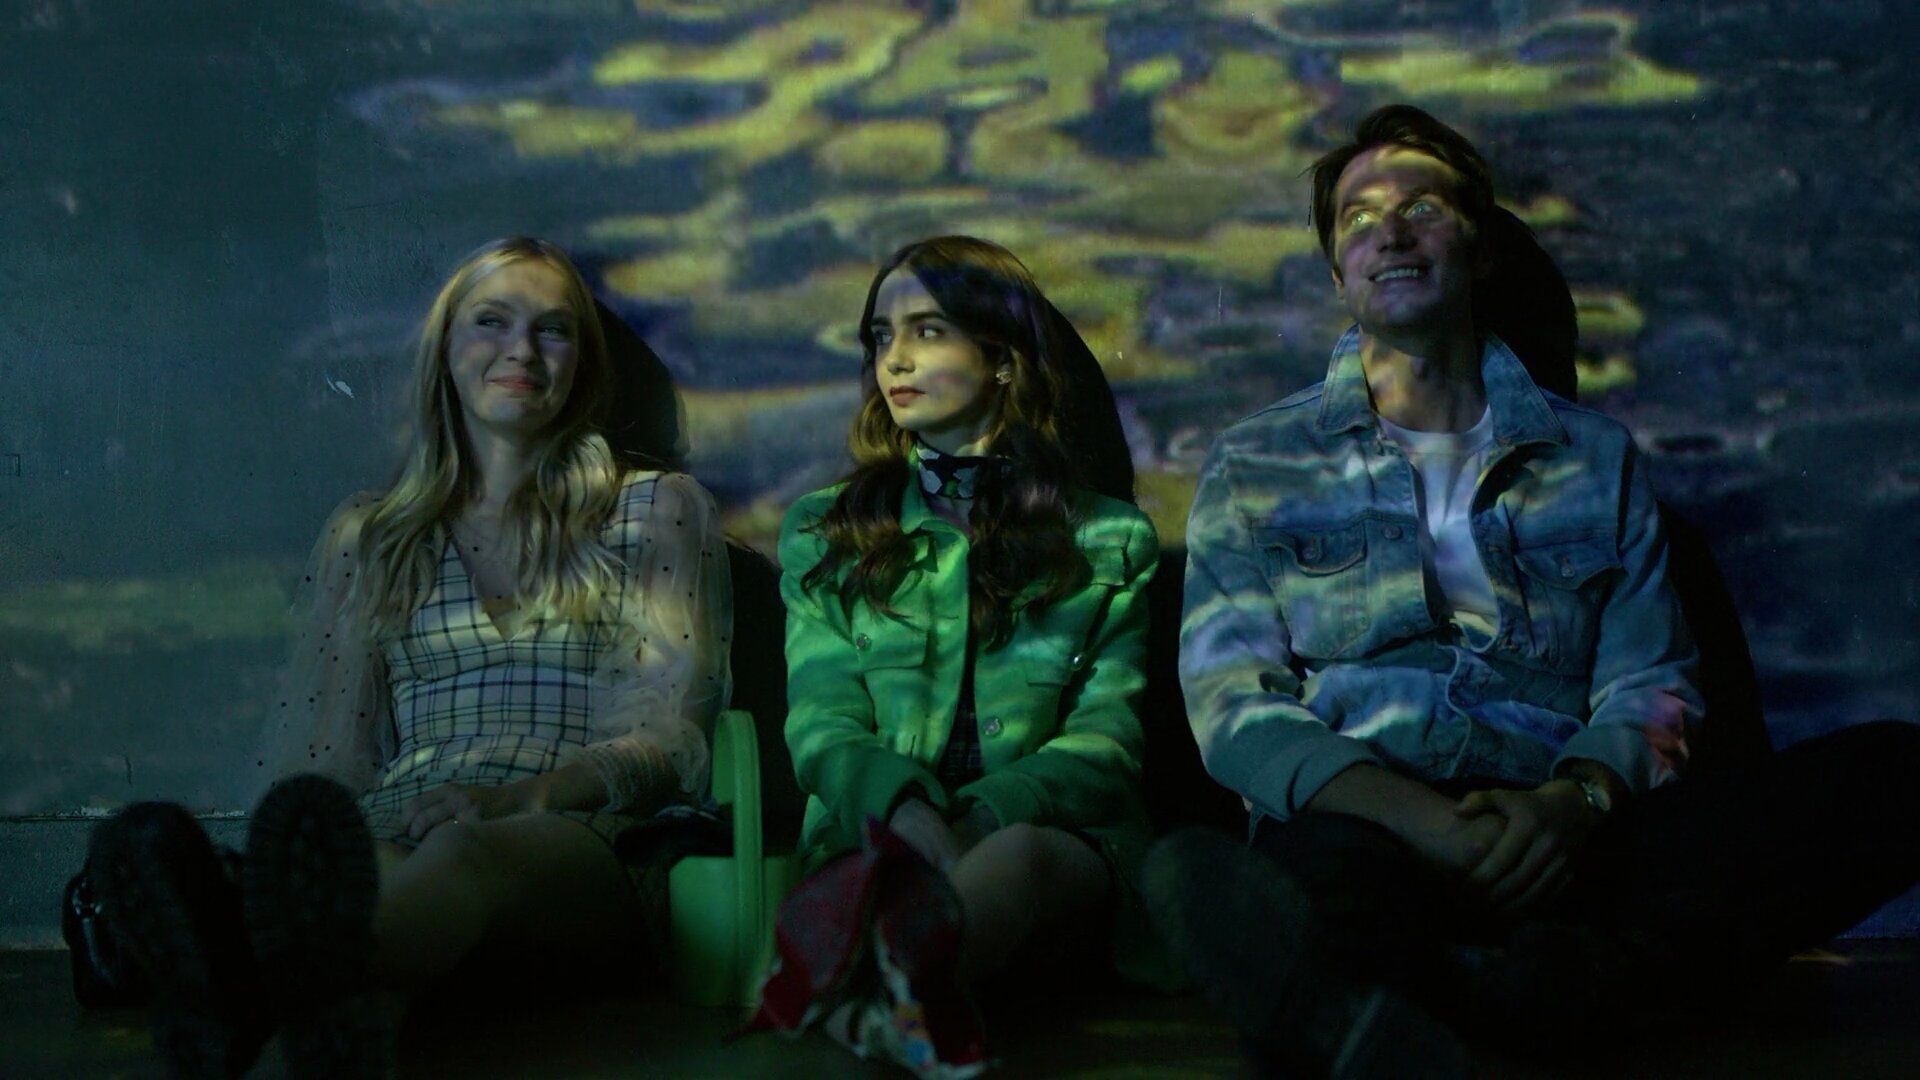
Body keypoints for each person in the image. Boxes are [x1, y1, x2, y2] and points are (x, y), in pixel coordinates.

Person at [1152, 105, 1920, 1078]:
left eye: (1421, 207)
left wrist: (1570, 805)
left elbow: (1653, 690)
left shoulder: (1595, 458)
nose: (1390, 232)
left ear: (1477, 251)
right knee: (1315, 887)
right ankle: (1539, 993)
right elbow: (1235, 709)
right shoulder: (1254, 463)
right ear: (1338, 273)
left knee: (1894, 773)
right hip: (1371, 825)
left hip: (1571, 837)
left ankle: (1443, 1006)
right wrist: (1429, 826)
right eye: (1358, 218)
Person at [87, 236, 733, 1077]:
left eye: (552, 329)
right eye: (492, 321)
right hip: (409, 823)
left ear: (582, 363)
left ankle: (247, 975)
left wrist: (521, 796)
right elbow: (326, 756)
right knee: (380, 930)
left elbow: (674, 739)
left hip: (583, 838)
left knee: (463, 860)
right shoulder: (372, 533)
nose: (521, 350)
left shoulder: (653, 510)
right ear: (445, 351)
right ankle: (288, 993)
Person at [766, 235, 1161, 1075]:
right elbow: (823, 725)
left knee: (1019, 859)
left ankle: (867, 991)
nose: (895, 359)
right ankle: (903, 1004)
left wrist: (977, 820)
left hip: (1052, 853)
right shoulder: (826, 532)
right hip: (877, 842)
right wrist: (910, 815)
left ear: (1004, 360)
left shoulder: (1109, 538)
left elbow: (1107, 744)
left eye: (928, 330)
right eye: (881, 336)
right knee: (882, 877)